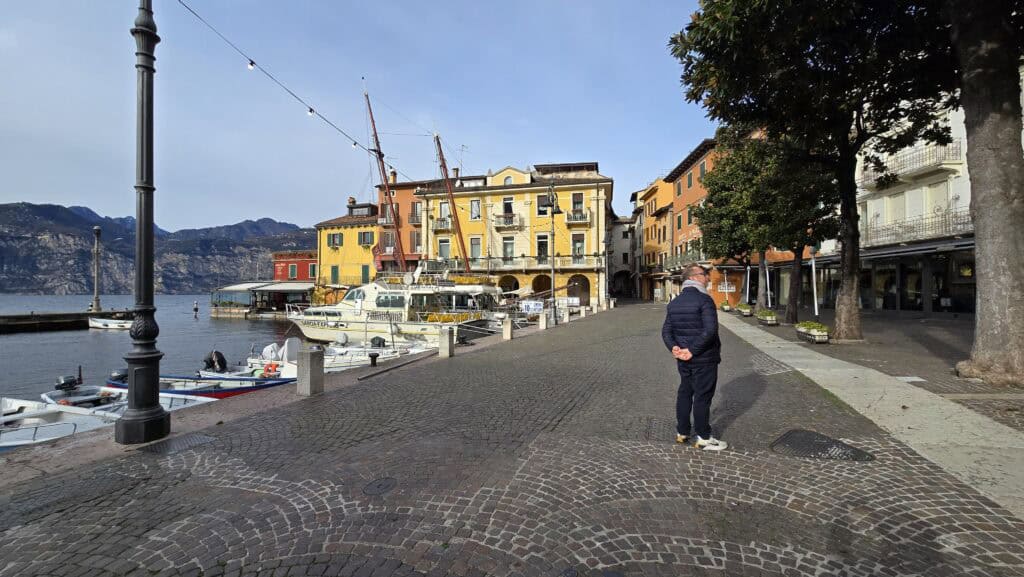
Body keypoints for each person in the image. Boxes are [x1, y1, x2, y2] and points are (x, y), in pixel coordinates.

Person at [662, 264, 727, 451]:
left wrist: (674, 348)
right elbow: (710, 331)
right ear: (697, 276)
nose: (708, 278)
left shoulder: (675, 302)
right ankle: (704, 437)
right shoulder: (704, 300)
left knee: (685, 392)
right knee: (702, 397)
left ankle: (682, 432)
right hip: (704, 358)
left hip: (683, 358)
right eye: (706, 274)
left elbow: (666, 331)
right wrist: (692, 350)